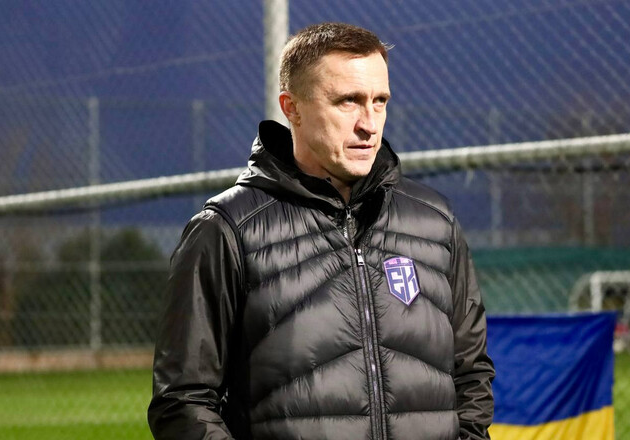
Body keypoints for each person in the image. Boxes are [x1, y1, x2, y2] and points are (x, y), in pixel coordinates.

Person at [148, 22, 494, 440]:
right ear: (292, 108)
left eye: (380, 101)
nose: (369, 124)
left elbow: (471, 373)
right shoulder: (226, 230)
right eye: (349, 101)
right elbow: (182, 402)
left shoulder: (435, 221)